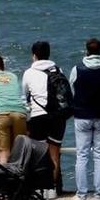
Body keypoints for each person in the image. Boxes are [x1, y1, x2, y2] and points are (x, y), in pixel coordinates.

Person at [67, 38, 100, 200]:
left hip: (82, 115)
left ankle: (81, 195)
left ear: (86, 51)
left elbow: (72, 89)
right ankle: (99, 196)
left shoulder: (77, 69)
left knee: (82, 155)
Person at [20, 41, 68, 186]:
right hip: (58, 117)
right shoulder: (58, 70)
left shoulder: (29, 73)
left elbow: (24, 97)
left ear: (34, 55)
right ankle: (52, 189)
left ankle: (41, 188)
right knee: (54, 154)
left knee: (39, 154)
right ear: (48, 54)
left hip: (38, 116)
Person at [0, 54, 28, 166]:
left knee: (3, 152)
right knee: (19, 152)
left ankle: (3, 182)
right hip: (20, 113)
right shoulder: (13, 76)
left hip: (1, 113)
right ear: (3, 67)